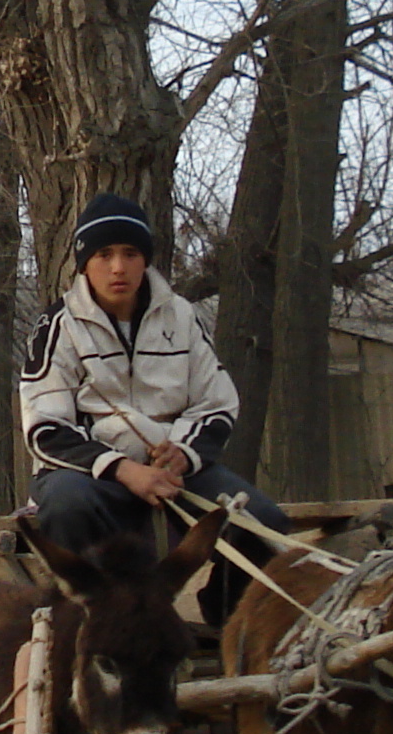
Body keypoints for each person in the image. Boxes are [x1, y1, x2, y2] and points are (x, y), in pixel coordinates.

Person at [19, 193, 287, 600]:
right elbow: (45, 428)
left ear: (145, 259)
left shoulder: (180, 316)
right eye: (103, 254)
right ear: (84, 263)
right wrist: (124, 469)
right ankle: (96, 618)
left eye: (130, 253)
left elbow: (217, 404)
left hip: (175, 470)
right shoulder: (59, 325)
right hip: (90, 475)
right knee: (67, 506)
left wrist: (184, 452)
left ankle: (224, 618)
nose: (118, 267)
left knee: (263, 524)